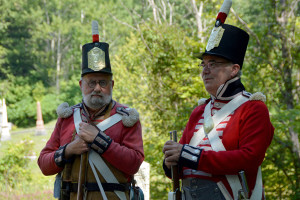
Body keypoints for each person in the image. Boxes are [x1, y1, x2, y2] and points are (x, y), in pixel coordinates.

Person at [162, 22, 274, 200]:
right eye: (203, 64)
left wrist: (190, 155)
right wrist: (171, 162)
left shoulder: (253, 108)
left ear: (234, 69)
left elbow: (249, 159)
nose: (205, 70)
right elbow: (183, 166)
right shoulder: (199, 111)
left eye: (212, 63)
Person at [38, 21, 144, 200]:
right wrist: (68, 150)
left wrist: (99, 141)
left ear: (111, 85)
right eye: (91, 82)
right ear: (81, 85)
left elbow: (133, 163)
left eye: (103, 83)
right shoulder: (67, 117)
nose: (97, 88)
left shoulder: (127, 117)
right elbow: (44, 164)